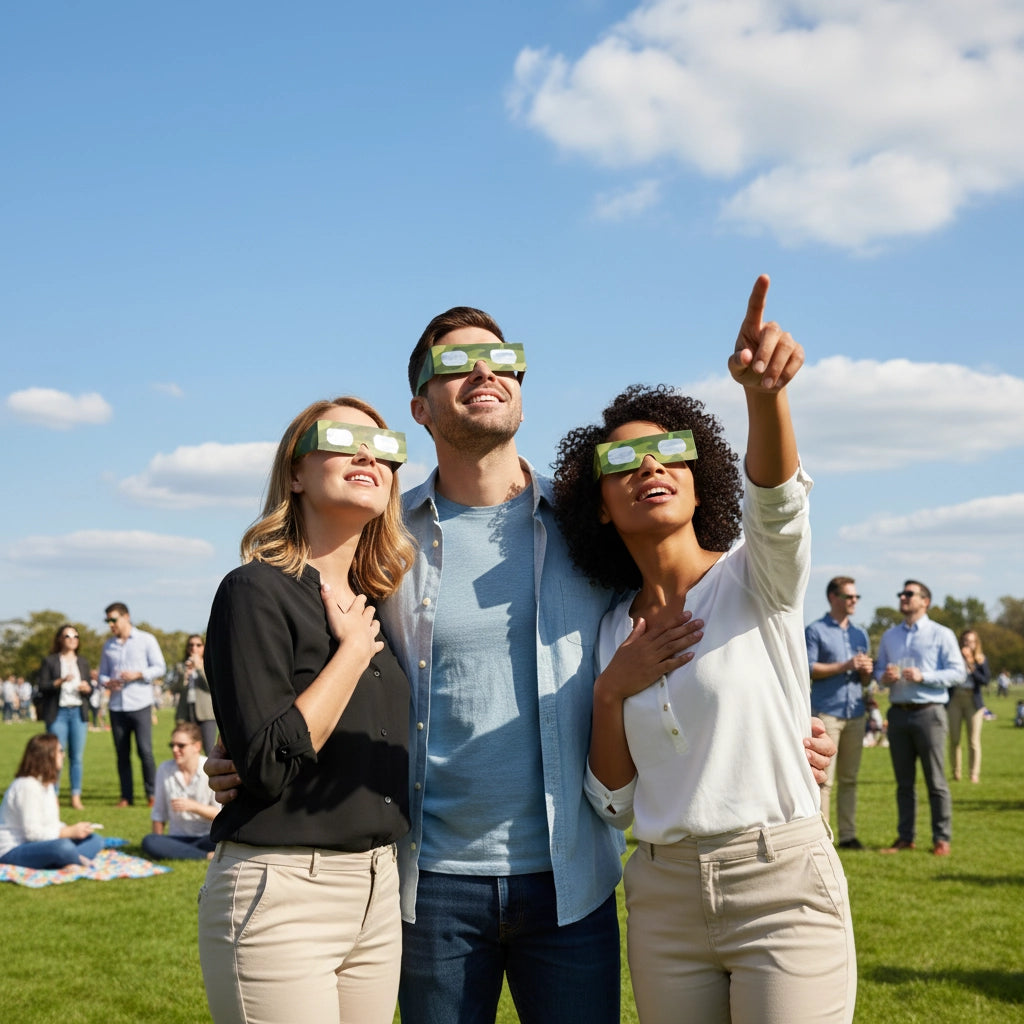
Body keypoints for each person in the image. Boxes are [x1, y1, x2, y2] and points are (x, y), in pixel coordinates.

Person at [206, 312, 837, 1024]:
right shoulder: (381, 545)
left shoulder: (591, 529)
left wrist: (790, 731)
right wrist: (243, 750)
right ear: (420, 408)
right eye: (456, 365)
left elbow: (691, 629)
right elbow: (299, 658)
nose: (484, 372)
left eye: (501, 358)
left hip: (571, 884)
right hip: (428, 890)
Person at [553, 276, 855, 1024]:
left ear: (697, 476)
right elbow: (614, 803)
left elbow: (778, 506)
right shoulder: (608, 627)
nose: (650, 467)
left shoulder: (757, 577)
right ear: (599, 503)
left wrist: (763, 394)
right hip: (661, 896)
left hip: (782, 882)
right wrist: (611, 689)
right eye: (623, 462)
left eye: (668, 453)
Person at [197, 397, 414, 1024]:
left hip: (378, 891)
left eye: (384, 446)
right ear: (294, 472)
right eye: (342, 438)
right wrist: (349, 652)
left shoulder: (381, 601)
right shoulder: (254, 590)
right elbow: (265, 766)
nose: (367, 454)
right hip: (281, 891)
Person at [875, 581, 965, 856]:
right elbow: (879, 670)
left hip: (930, 714)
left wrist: (924, 676)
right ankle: (905, 838)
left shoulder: (941, 634)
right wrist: (884, 677)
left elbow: (958, 672)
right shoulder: (890, 636)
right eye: (901, 594)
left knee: (936, 781)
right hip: (898, 714)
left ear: (925, 601)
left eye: (909, 594)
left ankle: (941, 839)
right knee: (904, 783)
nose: (903, 597)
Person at [805, 578, 873, 849]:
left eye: (856, 597)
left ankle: (848, 835)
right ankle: (822, 836)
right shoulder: (815, 631)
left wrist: (866, 673)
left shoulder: (861, 634)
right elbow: (808, 668)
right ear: (833, 598)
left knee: (850, 779)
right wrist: (845, 665)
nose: (854, 601)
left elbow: (866, 681)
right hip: (827, 713)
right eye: (849, 596)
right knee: (825, 781)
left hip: (855, 712)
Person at [0, 733, 104, 869]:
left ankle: (68, 859)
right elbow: (32, 834)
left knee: (96, 840)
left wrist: (75, 830)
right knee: (63, 847)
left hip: (41, 844)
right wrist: (67, 832)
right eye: (60, 751)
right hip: (14, 849)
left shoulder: (47, 784)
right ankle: (71, 858)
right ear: (47, 755)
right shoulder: (26, 786)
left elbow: (51, 824)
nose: (63, 755)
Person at [98, 602, 166, 807]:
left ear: (126, 617)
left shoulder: (146, 639)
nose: (110, 624)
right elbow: (102, 673)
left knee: (145, 751)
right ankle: (126, 796)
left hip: (140, 703)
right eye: (107, 620)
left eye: (113, 619)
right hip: (117, 706)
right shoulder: (108, 645)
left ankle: (152, 794)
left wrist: (139, 674)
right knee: (122, 754)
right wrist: (106, 682)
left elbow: (160, 667)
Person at [141, 722, 219, 860]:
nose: (175, 750)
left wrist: (194, 807)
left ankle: (187, 853)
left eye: (181, 745)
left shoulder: (210, 769)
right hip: (178, 838)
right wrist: (157, 844)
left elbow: (221, 816)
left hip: (208, 837)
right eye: (172, 745)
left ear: (197, 746)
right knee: (149, 841)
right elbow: (159, 813)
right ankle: (205, 856)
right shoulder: (165, 769)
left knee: (224, 839)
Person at [36, 623, 93, 810]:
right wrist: (60, 681)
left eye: (75, 636)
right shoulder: (50, 661)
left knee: (76, 757)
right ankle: (53, 795)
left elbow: (90, 690)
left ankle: (76, 796)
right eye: (68, 636)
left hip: (77, 712)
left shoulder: (82, 662)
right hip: (58, 713)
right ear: (60, 639)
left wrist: (87, 688)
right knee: (54, 756)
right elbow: (42, 687)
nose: (72, 640)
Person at [948, 629, 990, 783]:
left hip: (973, 700)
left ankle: (974, 774)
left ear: (976, 643)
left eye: (971, 641)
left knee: (973, 740)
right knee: (954, 739)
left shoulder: (981, 659)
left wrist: (971, 664)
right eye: (965, 641)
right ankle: (956, 772)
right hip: (955, 700)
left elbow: (985, 680)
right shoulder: (953, 659)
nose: (968, 644)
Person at [166, 635, 217, 754]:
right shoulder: (181, 667)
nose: (194, 648)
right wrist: (183, 677)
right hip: (186, 711)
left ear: (204, 647)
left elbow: (212, 686)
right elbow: (174, 689)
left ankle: (208, 773)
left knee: (209, 749)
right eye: (191, 645)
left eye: (198, 645)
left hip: (206, 713)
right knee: (187, 748)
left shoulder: (209, 664)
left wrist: (199, 667)